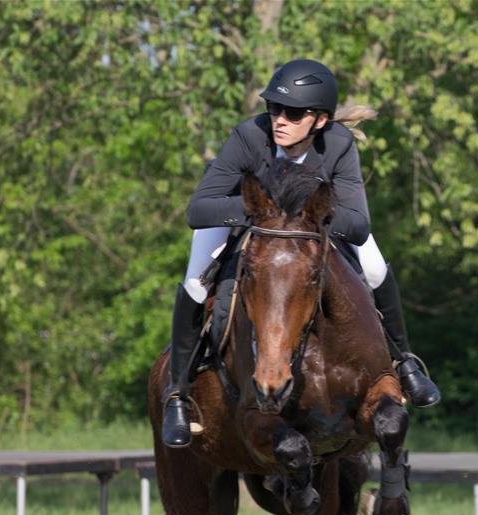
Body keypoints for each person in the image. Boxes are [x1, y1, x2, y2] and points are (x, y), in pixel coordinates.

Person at [162, 58, 441, 448]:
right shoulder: (248, 137)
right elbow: (199, 209)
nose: (279, 120)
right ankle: (177, 394)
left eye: (293, 113)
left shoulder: (339, 145)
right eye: (274, 109)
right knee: (195, 282)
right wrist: (262, 210)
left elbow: (358, 223)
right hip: (245, 219)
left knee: (375, 268)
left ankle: (404, 362)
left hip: (309, 230)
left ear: (320, 121)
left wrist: (306, 217)